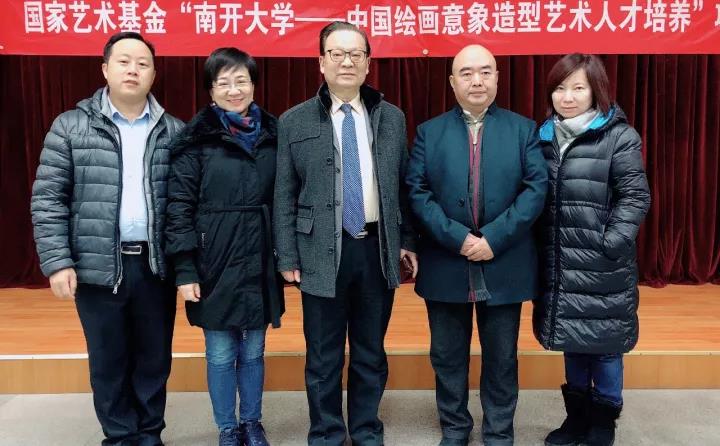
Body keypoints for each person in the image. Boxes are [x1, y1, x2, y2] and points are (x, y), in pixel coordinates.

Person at [30, 32, 183, 446]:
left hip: (154, 266)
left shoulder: (174, 131)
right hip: (96, 265)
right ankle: (118, 436)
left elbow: (184, 206)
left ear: (154, 74)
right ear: (105, 69)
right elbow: (48, 198)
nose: (133, 70)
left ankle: (149, 434)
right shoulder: (70, 126)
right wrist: (58, 261)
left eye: (143, 63)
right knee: (108, 361)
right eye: (124, 61)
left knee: (154, 359)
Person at [273, 21, 417, 446]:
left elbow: (403, 187)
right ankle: (326, 434)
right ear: (321, 62)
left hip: (376, 248)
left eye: (356, 54)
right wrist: (287, 256)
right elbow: (284, 193)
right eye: (337, 53)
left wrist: (407, 241)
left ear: (368, 63)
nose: (347, 61)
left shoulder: (391, 118)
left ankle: (367, 430)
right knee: (323, 355)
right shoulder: (294, 121)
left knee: (371, 350)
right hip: (320, 251)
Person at [405, 44, 548, 446]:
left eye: (485, 72)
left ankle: (499, 432)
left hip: (504, 259)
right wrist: (459, 238)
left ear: (497, 78)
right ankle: (455, 427)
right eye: (466, 73)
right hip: (446, 259)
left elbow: (535, 190)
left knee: (501, 357)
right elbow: (417, 192)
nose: (477, 81)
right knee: (447, 355)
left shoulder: (523, 130)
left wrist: (493, 238)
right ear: (452, 82)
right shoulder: (429, 132)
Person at [164, 47, 284, 446]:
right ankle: (227, 428)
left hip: (259, 258)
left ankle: (251, 422)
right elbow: (178, 207)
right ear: (211, 90)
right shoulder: (194, 141)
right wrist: (184, 269)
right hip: (212, 261)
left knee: (253, 351)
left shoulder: (274, 136)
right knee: (219, 353)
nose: (234, 90)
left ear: (254, 84)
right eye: (224, 83)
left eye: (241, 81)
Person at [533, 53, 651, 446]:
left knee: (604, 348)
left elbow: (635, 197)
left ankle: (603, 422)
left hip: (602, 264)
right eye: (559, 88)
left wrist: (610, 242)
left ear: (595, 90)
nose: (567, 97)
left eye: (577, 88)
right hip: (560, 263)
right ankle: (576, 419)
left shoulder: (619, 136)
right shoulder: (543, 137)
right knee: (573, 342)